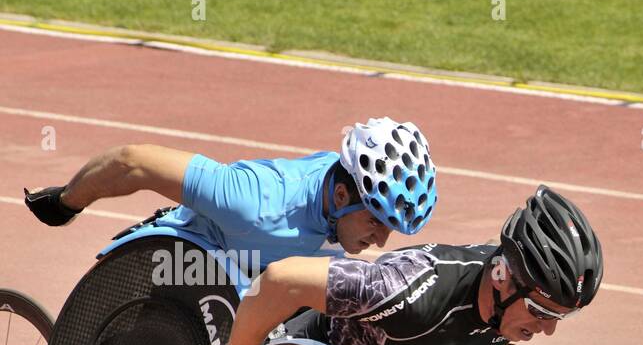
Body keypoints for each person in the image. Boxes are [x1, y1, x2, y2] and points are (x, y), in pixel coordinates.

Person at [199, 185, 602, 345]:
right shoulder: (401, 291)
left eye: (559, 317)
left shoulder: (508, 302)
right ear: (502, 278)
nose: (547, 330)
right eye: (539, 311)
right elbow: (281, 279)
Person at [22, 117, 436, 259]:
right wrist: (65, 202)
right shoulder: (252, 200)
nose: (381, 239)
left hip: (249, 282)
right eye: (376, 222)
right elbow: (134, 161)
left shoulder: (339, 195)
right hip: (174, 275)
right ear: (342, 196)